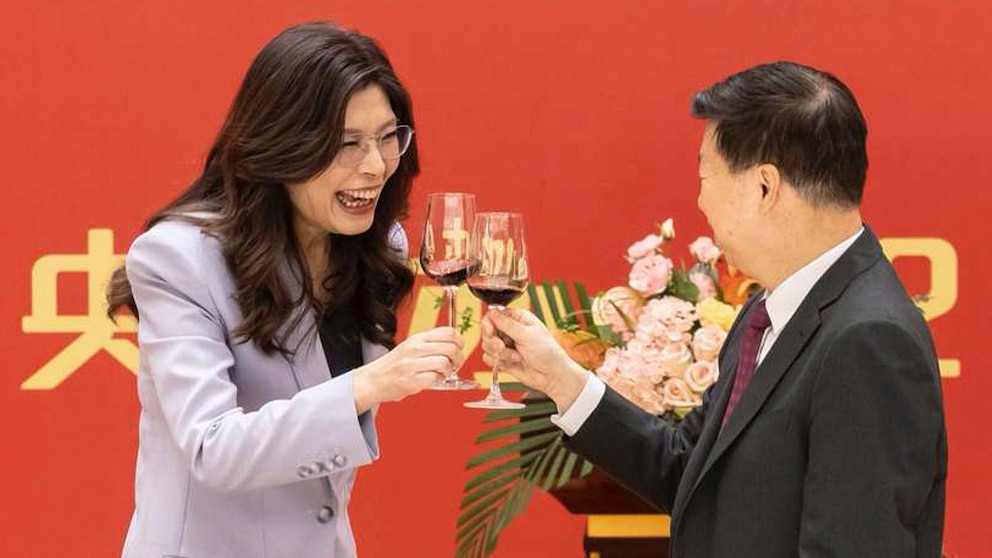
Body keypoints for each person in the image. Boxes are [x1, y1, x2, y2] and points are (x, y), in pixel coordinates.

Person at [481, 61, 946, 557]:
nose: (701, 201)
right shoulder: (770, 310)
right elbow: (687, 468)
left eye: (706, 175)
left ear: (765, 187)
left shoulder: (867, 341)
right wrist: (561, 379)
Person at [106, 22, 465, 558]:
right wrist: (369, 383)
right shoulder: (179, 257)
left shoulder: (374, 246)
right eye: (347, 144)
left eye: (388, 137)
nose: (375, 166)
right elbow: (213, 448)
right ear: (284, 146)